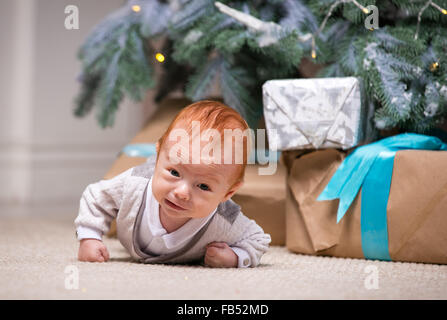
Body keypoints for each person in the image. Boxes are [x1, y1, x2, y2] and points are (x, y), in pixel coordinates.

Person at [74, 100, 271, 268]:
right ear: (158, 155)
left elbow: (258, 239)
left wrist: (236, 257)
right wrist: (89, 237)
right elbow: (96, 197)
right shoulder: (135, 183)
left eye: (203, 186)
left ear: (228, 192)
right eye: (175, 173)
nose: (182, 192)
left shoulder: (224, 219)